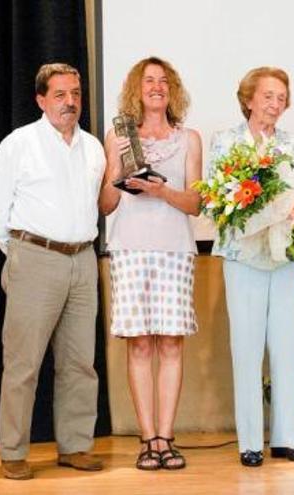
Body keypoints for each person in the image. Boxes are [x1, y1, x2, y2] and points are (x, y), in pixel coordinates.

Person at [0, 63, 106, 480]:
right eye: (60, 95)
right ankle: (13, 451)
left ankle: (75, 446)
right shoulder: (20, 143)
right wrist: (20, 253)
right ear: (40, 100)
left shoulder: (93, 148)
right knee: (23, 363)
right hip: (35, 258)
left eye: (76, 94)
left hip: (83, 260)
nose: (70, 102)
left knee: (79, 363)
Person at [210, 67, 294, 467]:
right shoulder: (226, 142)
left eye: (282, 97)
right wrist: (253, 211)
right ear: (249, 99)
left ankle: (288, 438)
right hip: (243, 256)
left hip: (286, 253)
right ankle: (250, 441)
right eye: (268, 95)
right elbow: (219, 197)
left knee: (287, 344)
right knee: (247, 347)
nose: (275, 103)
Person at [99, 57, 201, 470]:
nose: (156, 87)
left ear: (172, 89)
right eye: (148, 81)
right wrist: (118, 170)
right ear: (135, 90)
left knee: (171, 343)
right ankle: (148, 440)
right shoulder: (118, 136)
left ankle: (167, 437)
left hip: (175, 249)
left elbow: (195, 203)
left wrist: (161, 192)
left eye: (163, 81)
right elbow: (105, 205)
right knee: (140, 343)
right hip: (129, 248)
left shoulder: (189, 138)